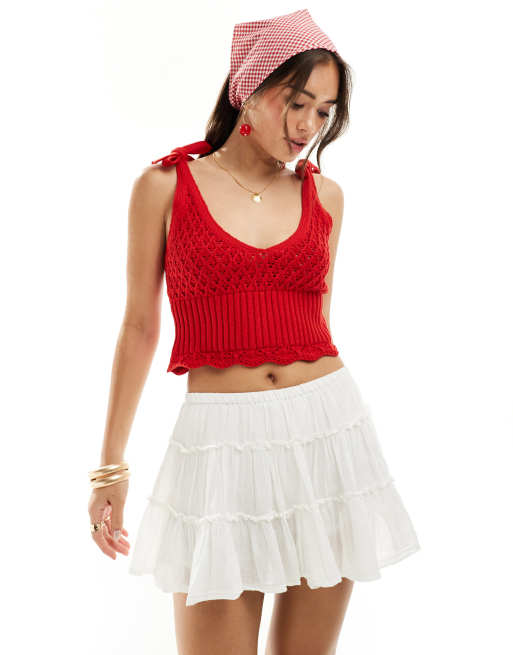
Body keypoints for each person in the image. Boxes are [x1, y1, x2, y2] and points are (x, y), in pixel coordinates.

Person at [88, 9, 421, 655]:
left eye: (324, 111)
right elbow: (138, 327)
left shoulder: (326, 197)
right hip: (221, 445)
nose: (308, 126)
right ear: (249, 88)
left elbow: (317, 322)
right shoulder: (164, 186)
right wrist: (110, 468)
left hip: (326, 434)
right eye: (297, 103)